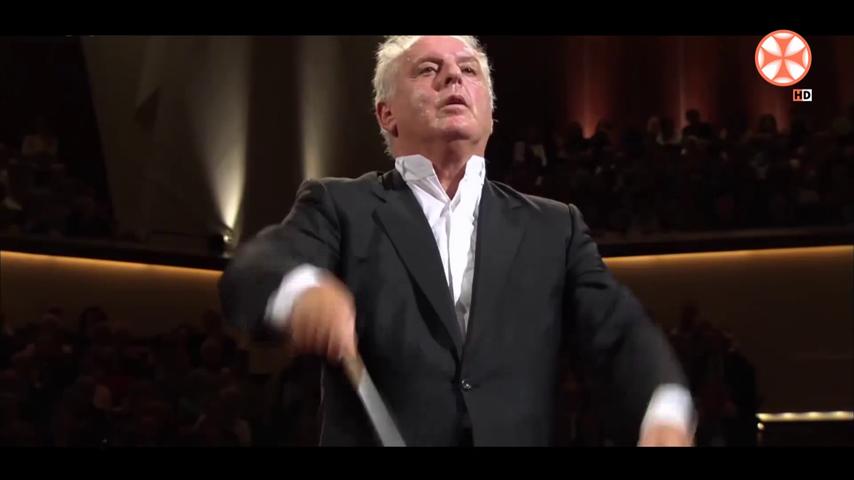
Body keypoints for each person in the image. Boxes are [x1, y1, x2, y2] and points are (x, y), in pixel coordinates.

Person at [219, 35, 694, 447]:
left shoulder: (555, 227)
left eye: (468, 70)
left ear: (490, 112)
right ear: (387, 115)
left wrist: (664, 412)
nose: (452, 76)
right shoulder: (341, 206)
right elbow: (257, 267)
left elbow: (620, 330)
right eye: (428, 70)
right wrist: (300, 292)